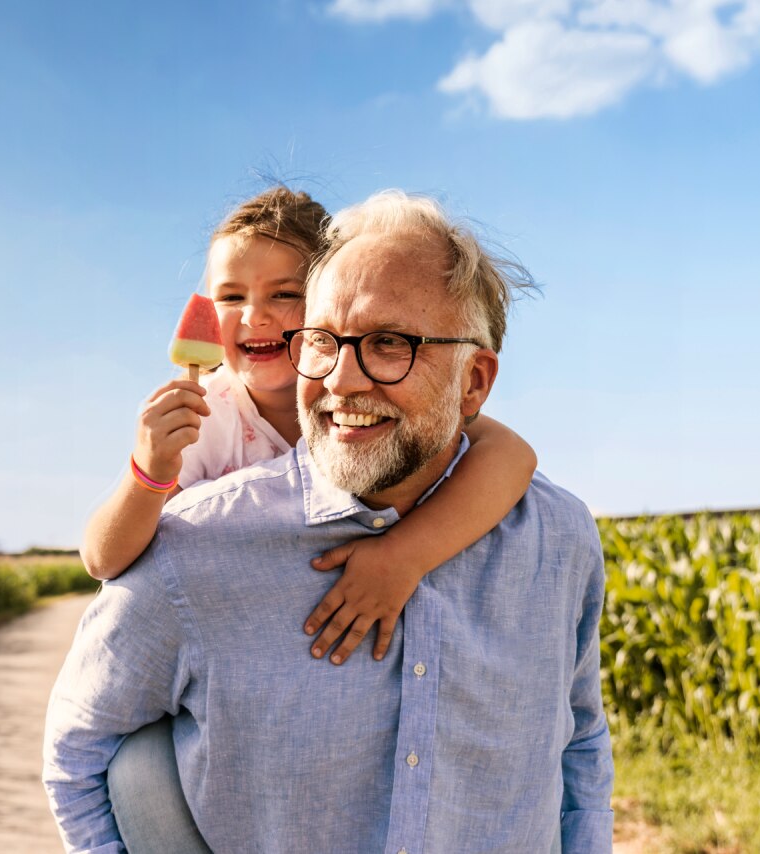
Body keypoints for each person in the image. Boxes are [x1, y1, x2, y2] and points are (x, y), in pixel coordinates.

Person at [45, 190, 614, 852]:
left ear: (474, 383)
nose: (344, 379)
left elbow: (579, 746)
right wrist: (148, 473)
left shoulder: (559, 539)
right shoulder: (198, 514)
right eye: (325, 341)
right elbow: (80, 747)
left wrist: (404, 554)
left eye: (389, 343)